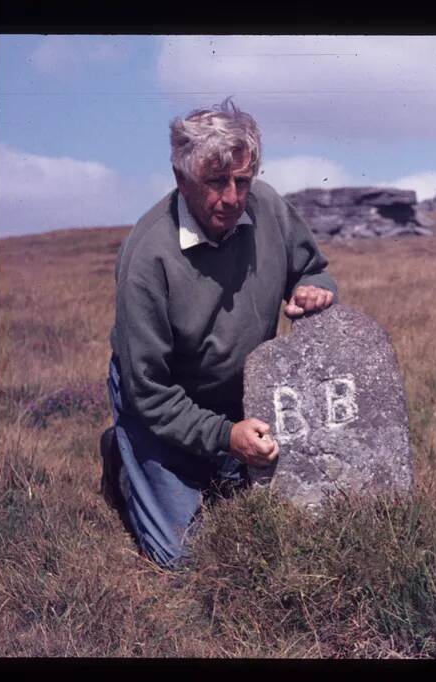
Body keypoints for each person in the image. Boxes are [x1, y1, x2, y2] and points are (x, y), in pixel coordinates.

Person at [99, 98, 336, 568]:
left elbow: (313, 269)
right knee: (186, 557)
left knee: (299, 521)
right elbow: (150, 393)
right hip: (160, 409)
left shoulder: (268, 207)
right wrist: (227, 437)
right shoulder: (148, 258)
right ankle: (125, 459)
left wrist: (313, 288)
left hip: (240, 398)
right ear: (181, 179)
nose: (232, 198)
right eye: (215, 182)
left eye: (242, 181)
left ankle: (216, 465)